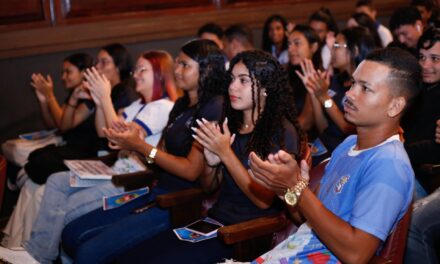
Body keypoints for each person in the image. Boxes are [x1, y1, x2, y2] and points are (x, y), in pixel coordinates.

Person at [114, 50, 304, 264]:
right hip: (213, 221)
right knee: (130, 257)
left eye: (243, 81)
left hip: (245, 234)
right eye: (231, 79)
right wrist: (212, 165)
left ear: (265, 88)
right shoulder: (230, 124)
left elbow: (262, 201)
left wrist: (225, 153)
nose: (233, 87)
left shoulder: (281, 132)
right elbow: (209, 186)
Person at [0, 50, 177, 263]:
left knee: (65, 209)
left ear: (159, 74)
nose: (136, 74)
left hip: (132, 179)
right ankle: (38, 254)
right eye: (135, 69)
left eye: (143, 69)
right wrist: (101, 100)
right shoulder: (138, 105)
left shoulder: (163, 107)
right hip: (115, 168)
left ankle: (45, 256)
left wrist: (104, 97)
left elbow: (119, 137)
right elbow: (104, 132)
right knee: (56, 181)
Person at [60, 39, 227, 264]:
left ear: (206, 69)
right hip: (156, 190)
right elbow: (155, 156)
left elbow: (190, 171)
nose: (176, 70)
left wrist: (139, 146)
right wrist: (136, 147)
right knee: (71, 232)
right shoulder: (181, 105)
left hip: (180, 202)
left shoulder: (214, 106)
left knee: (87, 252)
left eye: (185, 65)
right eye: (177, 63)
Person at [249, 47, 420, 263]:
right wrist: (286, 189)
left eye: (365, 88)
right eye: (353, 83)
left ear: (395, 106)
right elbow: (304, 216)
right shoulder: (348, 145)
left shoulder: (388, 164)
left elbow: (356, 254)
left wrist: (298, 189)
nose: (349, 94)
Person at [24, 43, 136, 185]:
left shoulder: (124, 93)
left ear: (119, 66)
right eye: (97, 62)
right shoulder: (95, 91)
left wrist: (50, 96)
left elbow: (113, 134)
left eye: (104, 62)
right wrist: (73, 98)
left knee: (40, 163)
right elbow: (65, 125)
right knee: (36, 156)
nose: (98, 67)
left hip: (101, 154)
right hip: (82, 147)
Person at [297, 27, 376, 165]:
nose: (331, 51)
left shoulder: (367, 86)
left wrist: (324, 98)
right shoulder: (337, 80)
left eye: (337, 46)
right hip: (321, 149)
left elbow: (348, 129)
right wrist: (314, 94)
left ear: (355, 50)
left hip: (343, 156)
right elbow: (323, 128)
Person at [404, 26, 440, 264]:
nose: (425, 65)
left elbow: (436, 149)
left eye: (435, 59)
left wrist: (398, 149)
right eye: (422, 57)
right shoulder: (416, 90)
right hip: (411, 168)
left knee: (410, 222)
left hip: (426, 175)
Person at [31, 53, 94, 130]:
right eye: (63, 72)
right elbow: (54, 126)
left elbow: (63, 126)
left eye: (68, 72)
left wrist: (50, 95)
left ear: (84, 73)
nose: (63, 77)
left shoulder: (90, 96)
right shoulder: (73, 94)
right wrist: (43, 102)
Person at [286, 24, 321, 133]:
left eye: (297, 43)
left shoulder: (318, 76)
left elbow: (306, 123)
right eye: (289, 44)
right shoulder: (289, 73)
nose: (291, 49)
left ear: (314, 47)